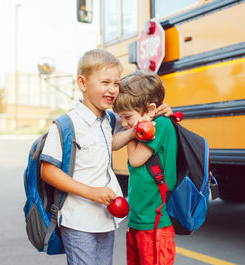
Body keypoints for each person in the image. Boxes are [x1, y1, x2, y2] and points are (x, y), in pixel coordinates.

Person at [40, 49, 172, 265]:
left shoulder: (109, 120)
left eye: (116, 83)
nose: (112, 90)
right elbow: (48, 170)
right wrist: (91, 192)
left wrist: (160, 110)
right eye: (105, 82)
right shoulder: (66, 125)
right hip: (78, 219)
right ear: (82, 83)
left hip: (105, 218)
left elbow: (133, 117)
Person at [112, 70, 178, 265]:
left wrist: (132, 132)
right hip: (138, 222)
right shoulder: (140, 129)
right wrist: (134, 128)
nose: (124, 123)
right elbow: (113, 143)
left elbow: (135, 160)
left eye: (127, 117)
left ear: (150, 110)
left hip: (155, 225)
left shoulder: (162, 124)